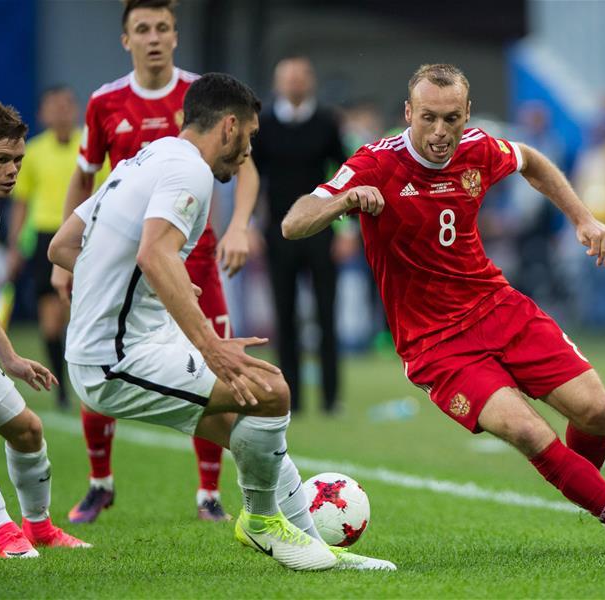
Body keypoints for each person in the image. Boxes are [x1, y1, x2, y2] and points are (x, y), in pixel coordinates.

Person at [283, 64, 605, 555]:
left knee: (596, 411)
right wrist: (343, 203)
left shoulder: (479, 148)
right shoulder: (373, 164)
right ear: (408, 113)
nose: (440, 132)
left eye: (451, 118)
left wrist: (582, 218)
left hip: (496, 307)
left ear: (467, 114)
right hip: (435, 343)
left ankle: (587, 490)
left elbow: (531, 160)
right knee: (528, 430)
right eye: (428, 118)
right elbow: (293, 224)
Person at [49, 73, 393, 571]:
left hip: (121, 344)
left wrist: (141, 287)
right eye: (250, 137)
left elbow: (64, 246)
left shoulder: (145, 158)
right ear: (229, 127)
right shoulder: (190, 171)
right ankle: (260, 523)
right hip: (115, 357)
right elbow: (153, 252)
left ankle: (319, 545)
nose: (249, 151)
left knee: (246, 423)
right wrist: (211, 346)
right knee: (271, 388)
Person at [51, 0, 261, 523]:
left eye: (162, 27)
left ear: (175, 34)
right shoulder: (105, 102)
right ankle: (100, 481)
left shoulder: (203, 97)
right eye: (141, 29)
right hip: (127, 261)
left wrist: (239, 225)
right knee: (110, 351)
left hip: (198, 259)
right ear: (126, 40)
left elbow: (245, 164)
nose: (153, 38)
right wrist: (66, 259)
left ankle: (209, 494)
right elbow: (85, 176)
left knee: (224, 383)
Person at [0, 102, 89, 558]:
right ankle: (7, 536)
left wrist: (8, 357)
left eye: (18, 161)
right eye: (1, 160)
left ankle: (40, 527)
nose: (12, 171)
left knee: (27, 429)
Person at [254, 56, 348, 414]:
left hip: (322, 232)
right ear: (278, 83)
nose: (293, 84)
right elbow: (251, 179)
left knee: (327, 315)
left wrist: (346, 229)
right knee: (285, 316)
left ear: (309, 82)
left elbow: (345, 175)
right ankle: (290, 396)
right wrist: (247, 227)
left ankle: (330, 397)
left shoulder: (326, 123)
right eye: (287, 78)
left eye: (299, 78)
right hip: (277, 234)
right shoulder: (263, 126)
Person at [7, 86, 91, 410]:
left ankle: (88, 382)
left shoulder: (91, 147)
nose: (62, 111)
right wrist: (15, 247)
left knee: (78, 315)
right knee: (51, 321)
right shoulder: (33, 152)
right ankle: (62, 389)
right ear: (43, 113)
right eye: (54, 106)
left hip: (82, 236)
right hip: (44, 238)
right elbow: (21, 204)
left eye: (67, 105)